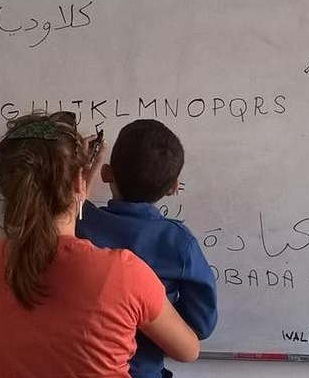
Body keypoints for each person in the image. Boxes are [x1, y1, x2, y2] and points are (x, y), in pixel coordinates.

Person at [0, 111, 199, 378]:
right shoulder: (123, 274)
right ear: (79, 184)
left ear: (7, 187)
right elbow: (188, 350)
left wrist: (78, 183)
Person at [77, 119, 218, 378]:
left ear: (107, 173)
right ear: (173, 187)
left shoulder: (80, 224)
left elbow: (74, 206)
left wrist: (84, 171)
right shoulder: (179, 243)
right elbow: (201, 324)